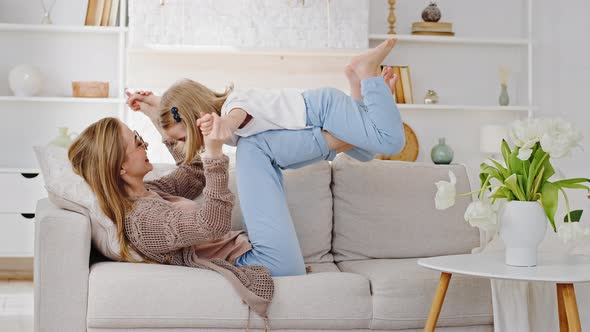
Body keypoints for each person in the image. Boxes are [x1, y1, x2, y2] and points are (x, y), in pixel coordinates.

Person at [127, 38, 404, 166]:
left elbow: (237, 115)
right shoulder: (221, 128)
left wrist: (223, 123)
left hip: (322, 108)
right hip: (321, 113)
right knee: (366, 153)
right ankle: (357, 82)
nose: (186, 143)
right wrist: (155, 103)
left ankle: (368, 72)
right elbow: (181, 107)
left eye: (186, 136)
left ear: (197, 117)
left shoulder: (233, 108)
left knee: (390, 142)